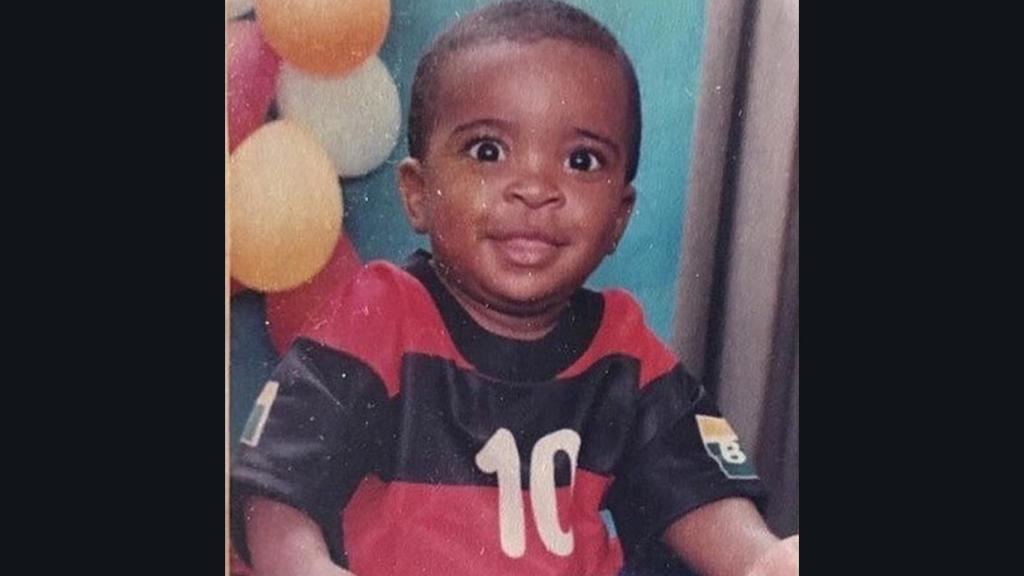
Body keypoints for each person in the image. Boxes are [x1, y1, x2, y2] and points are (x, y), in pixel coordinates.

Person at [230, 1, 798, 575]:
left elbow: (697, 484)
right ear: (418, 194)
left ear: (619, 219)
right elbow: (275, 489)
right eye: (488, 151)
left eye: (581, 160)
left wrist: (762, 559)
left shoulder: (623, 353)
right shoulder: (381, 315)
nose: (534, 188)